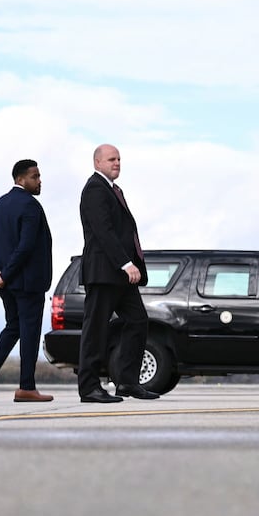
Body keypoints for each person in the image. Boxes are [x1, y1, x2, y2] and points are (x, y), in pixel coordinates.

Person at [0, 159, 55, 404]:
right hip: (26, 283)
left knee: (13, 328)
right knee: (29, 332)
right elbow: (26, 246)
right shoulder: (30, 206)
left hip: (5, 284)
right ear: (21, 180)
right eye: (35, 177)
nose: (40, 181)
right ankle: (26, 387)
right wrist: (4, 274)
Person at [77, 144, 154, 403]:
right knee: (95, 329)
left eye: (119, 159)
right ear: (97, 162)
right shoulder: (95, 189)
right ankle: (89, 388)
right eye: (111, 159)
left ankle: (128, 382)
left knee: (138, 321)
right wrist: (125, 263)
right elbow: (103, 231)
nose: (117, 163)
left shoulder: (112, 189)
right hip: (104, 273)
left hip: (120, 277)